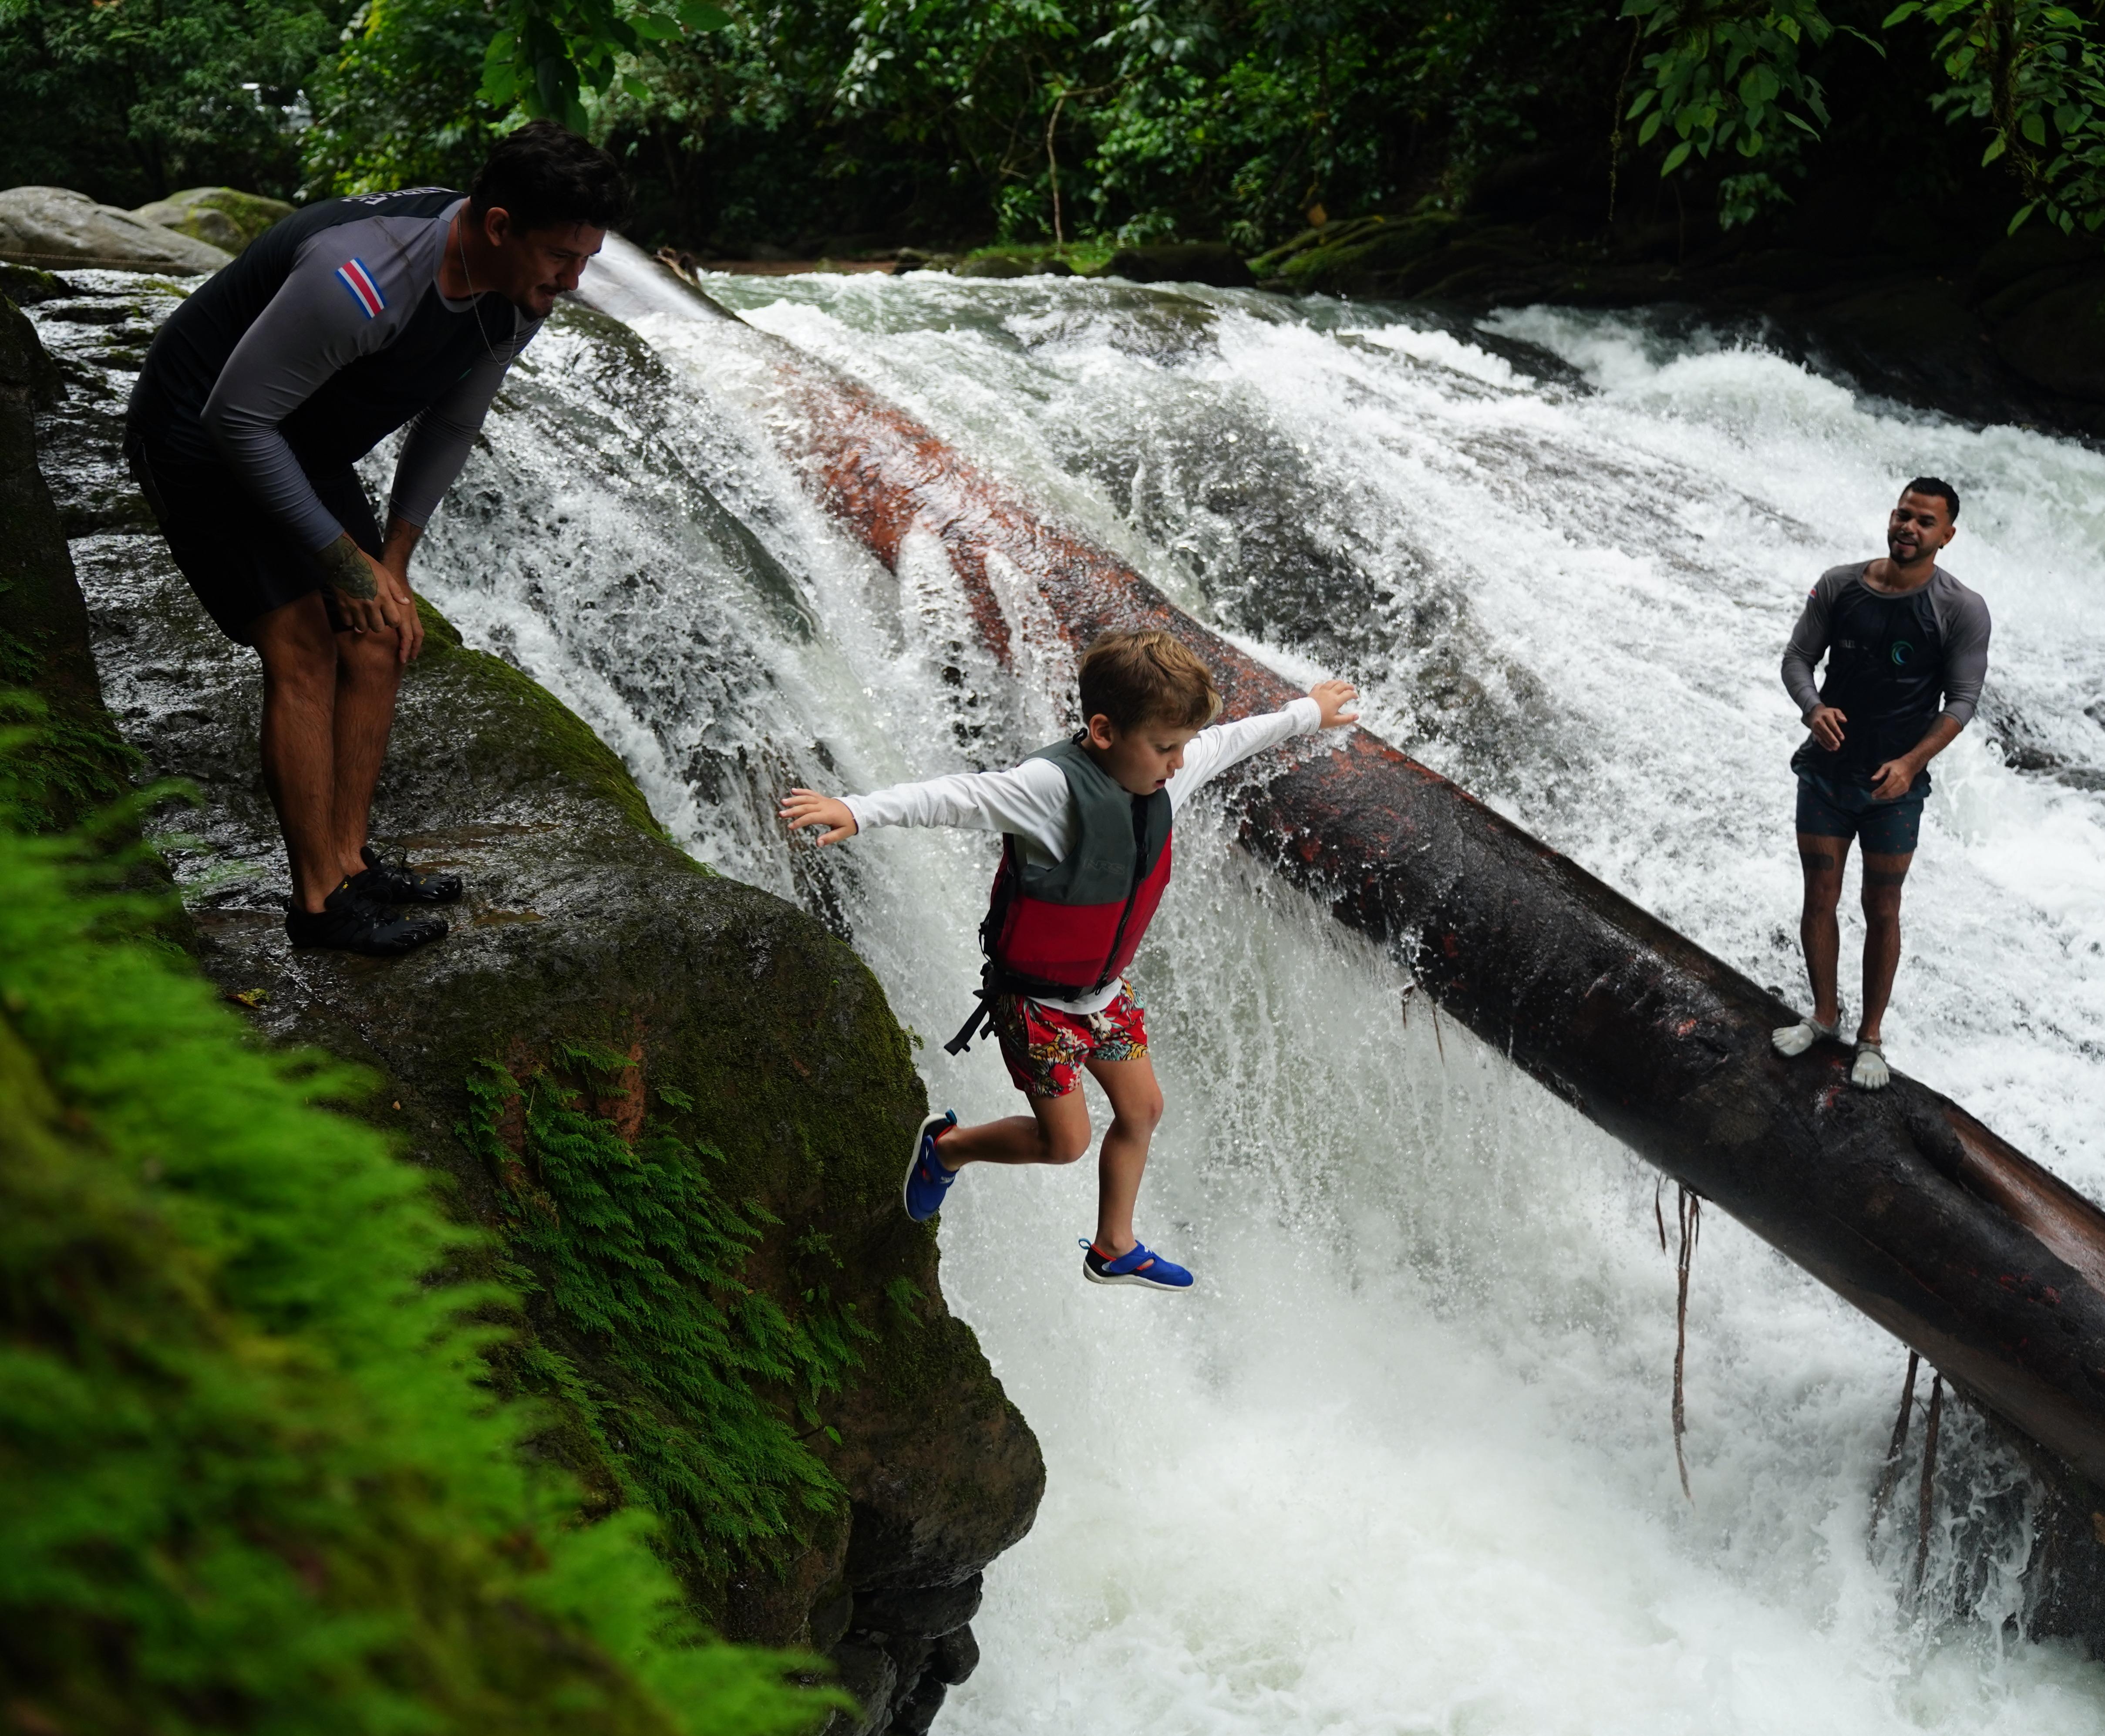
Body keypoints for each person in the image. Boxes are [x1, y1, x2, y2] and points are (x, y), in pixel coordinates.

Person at [125, 122, 626, 954]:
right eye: (558, 259)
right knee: (305, 646)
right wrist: (338, 563)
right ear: (497, 227)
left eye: (586, 261)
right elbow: (236, 419)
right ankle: (319, 904)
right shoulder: (357, 278)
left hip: (298, 438)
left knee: (380, 637)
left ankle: (351, 862)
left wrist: (391, 562)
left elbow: (453, 420)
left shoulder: (519, 294)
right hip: (201, 432)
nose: (572, 282)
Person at [780, 630, 1359, 1291]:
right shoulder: (1048, 788)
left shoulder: (1175, 766)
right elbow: (957, 796)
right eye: (1165, 747)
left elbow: (1237, 739)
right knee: (1066, 1145)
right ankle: (947, 1149)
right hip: (1039, 1009)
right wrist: (856, 809)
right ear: (1105, 731)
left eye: (1182, 746)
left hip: (1104, 994)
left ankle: (1115, 1247)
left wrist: (1309, 710)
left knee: (1143, 1111)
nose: (1178, 762)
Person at [1771, 478, 1990, 1089]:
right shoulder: (1840, 585)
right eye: (1903, 515)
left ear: (1947, 536)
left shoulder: (1960, 609)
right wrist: (1813, 709)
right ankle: (1821, 1017)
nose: (1908, 528)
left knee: (1882, 908)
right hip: (1825, 775)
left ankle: (1870, 1039)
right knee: (1820, 895)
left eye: (1925, 522)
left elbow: (1963, 700)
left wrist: (1913, 762)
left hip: (1894, 788)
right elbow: (1796, 659)